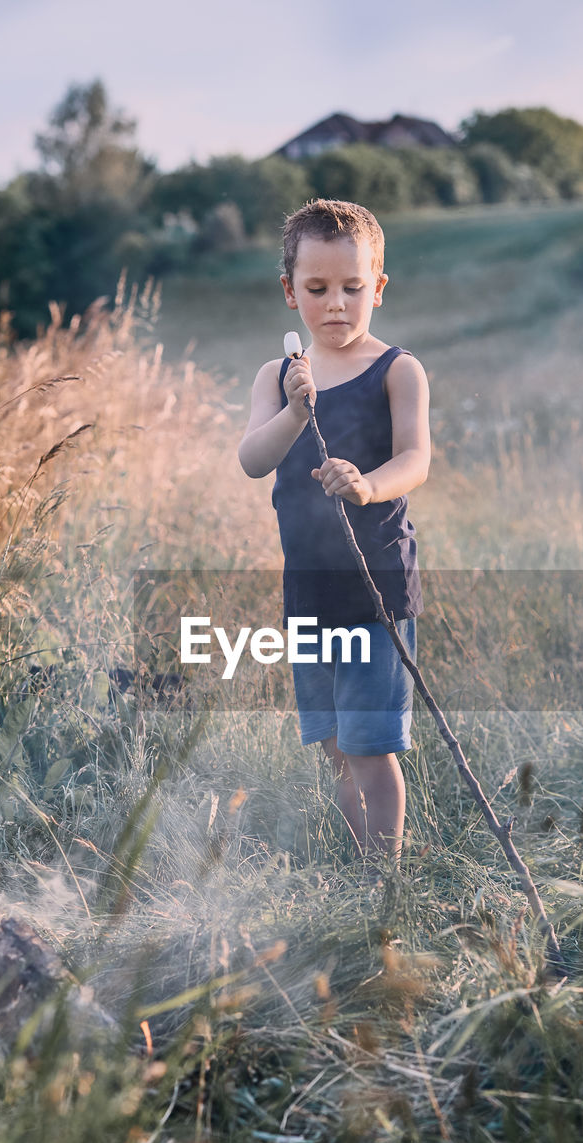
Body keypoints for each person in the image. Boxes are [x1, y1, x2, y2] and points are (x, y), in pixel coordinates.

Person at [238, 198, 430, 867]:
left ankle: (385, 879)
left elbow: (415, 458)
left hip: (374, 591)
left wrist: (368, 485)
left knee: (372, 750)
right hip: (310, 592)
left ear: (377, 287)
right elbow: (252, 460)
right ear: (290, 293)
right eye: (317, 289)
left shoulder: (396, 370)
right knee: (335, 749)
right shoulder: (278, 377)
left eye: (353, 288)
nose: (337, 305)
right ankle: (358, 868)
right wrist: (294, 410)